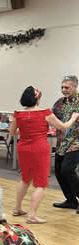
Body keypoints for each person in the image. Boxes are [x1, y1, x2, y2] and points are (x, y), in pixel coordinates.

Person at [10, 86, 78, 223]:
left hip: (23, 148)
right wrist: (73, 118)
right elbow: (63, 127)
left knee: (25, 179)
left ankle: (17, 208)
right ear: (37, 97)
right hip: (39, 148)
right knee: (40, 183)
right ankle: (33, 215)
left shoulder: (18, 113)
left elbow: (12, 133)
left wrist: (26, 131)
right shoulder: (45, 112)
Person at [51, 75, 79, 210]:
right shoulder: (59, 103)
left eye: (67, 87)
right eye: (62, 87)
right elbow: (51, 117)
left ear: (75, 86)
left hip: (76, 143)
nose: (64, 90)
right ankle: (71, 200)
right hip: (61, 143)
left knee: (67, 170)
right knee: (58, 172)